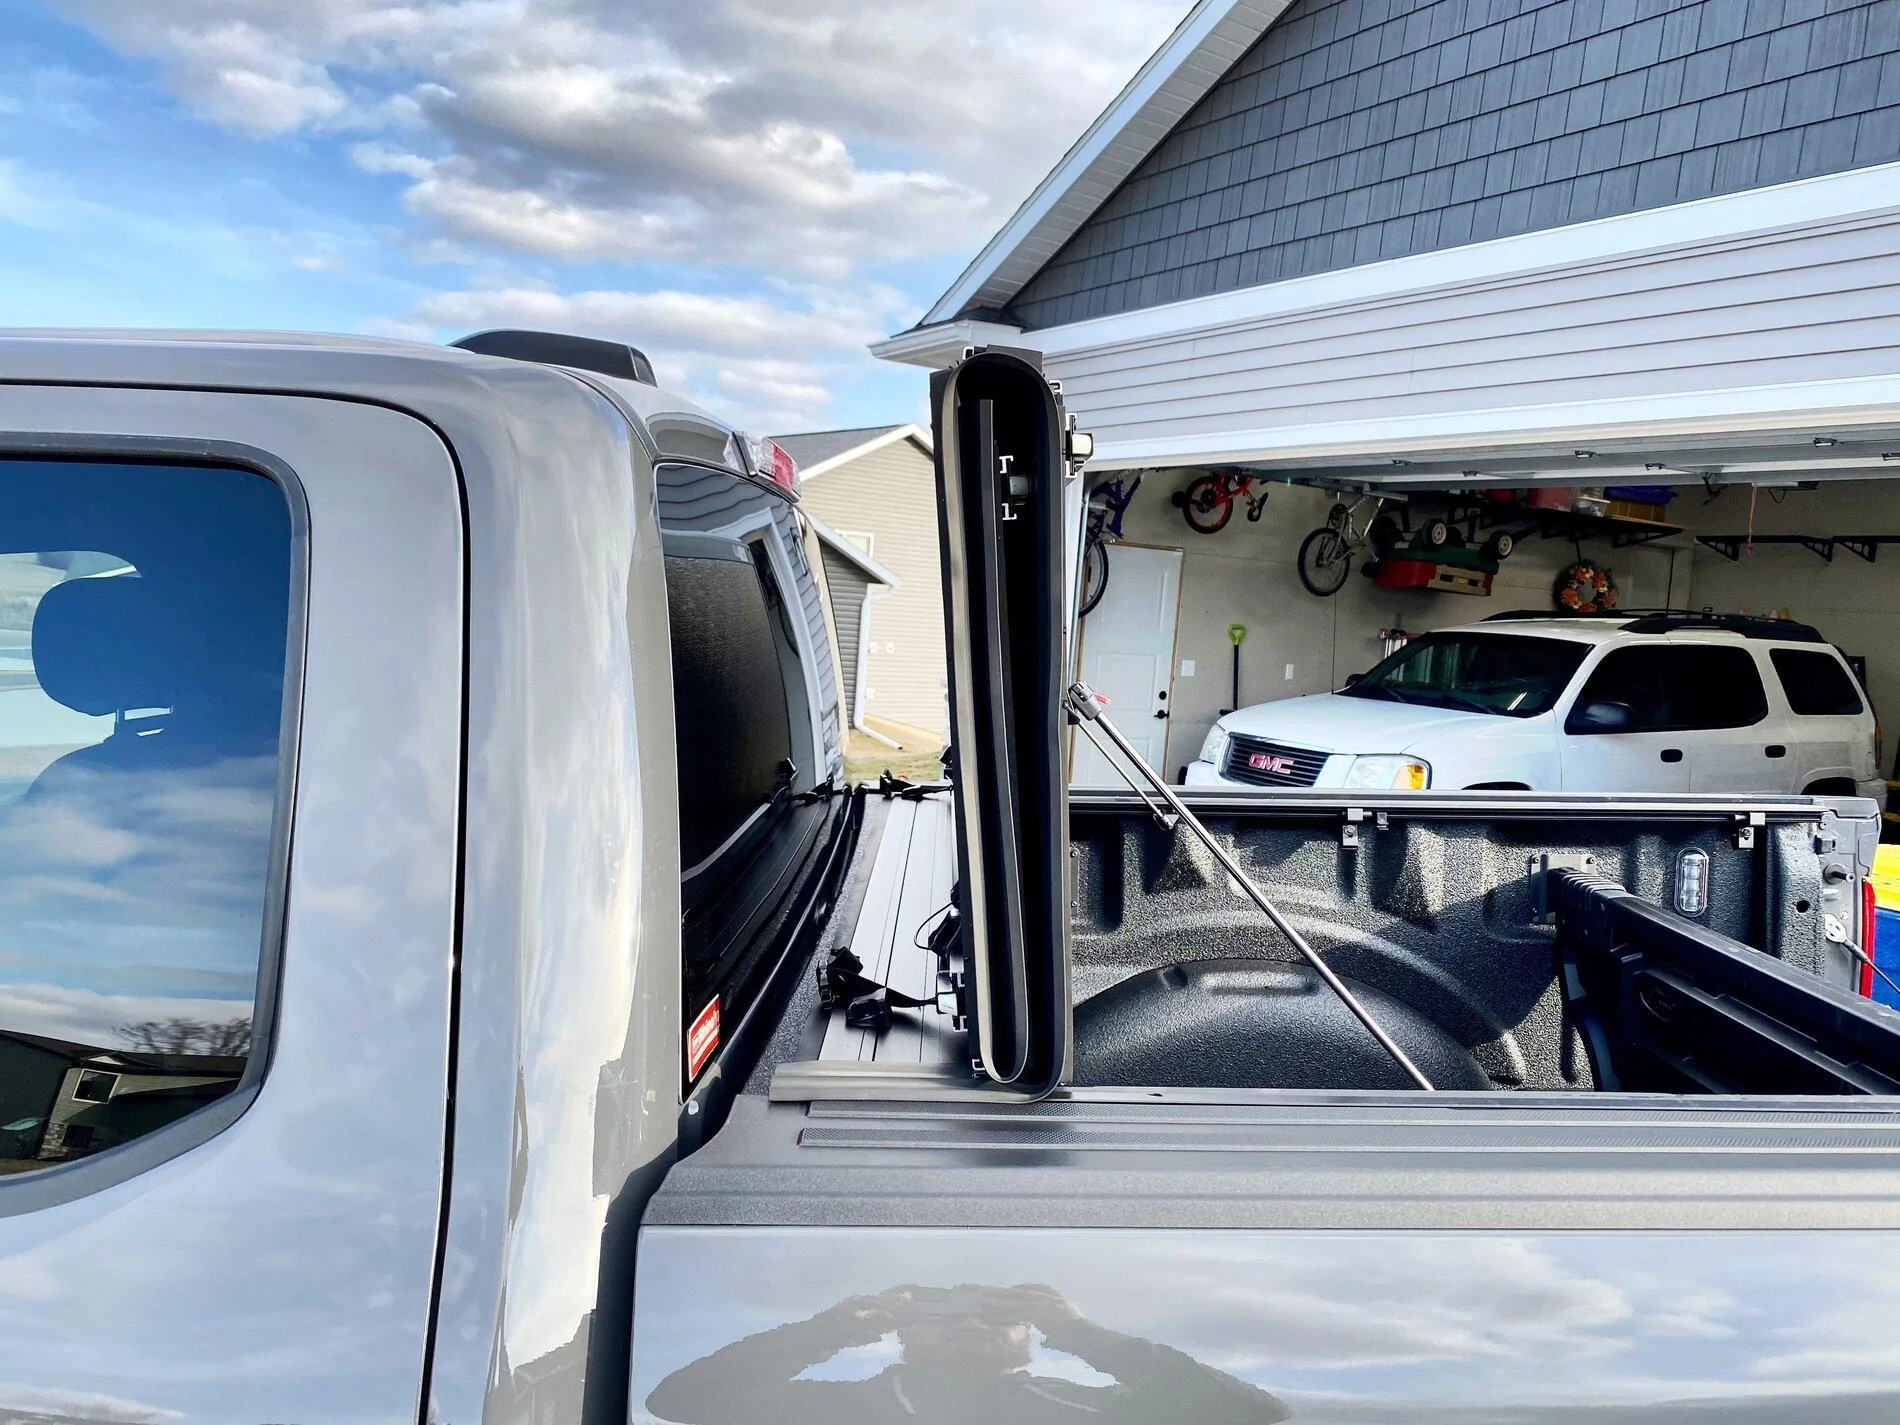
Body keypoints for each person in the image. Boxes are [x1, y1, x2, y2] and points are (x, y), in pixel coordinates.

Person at [646, 1281, 1288, 1425]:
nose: (971, 1326)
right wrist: (825, 1331)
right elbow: (678, 1401)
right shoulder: (841, 1411)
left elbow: (1253, 1415)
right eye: (944, 1314)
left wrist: (1082, 1332)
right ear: (903, 1332)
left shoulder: (1092, 1412)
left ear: (1033, 1337)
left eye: (1002, 1315)